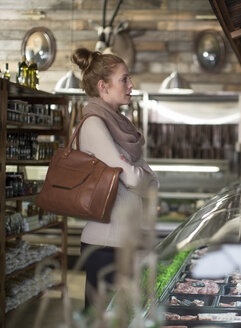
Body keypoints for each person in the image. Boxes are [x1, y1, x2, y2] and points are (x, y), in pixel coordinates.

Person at [71, 48, 159, 311]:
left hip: (123, 240)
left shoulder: (120, 125)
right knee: (102, 318)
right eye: (124, 79)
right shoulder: (94, 125)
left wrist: (143, 177)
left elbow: (146, 176)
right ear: (103, 86)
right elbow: (132, 177)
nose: (131, 85)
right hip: (105, 244)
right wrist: (142, 178)